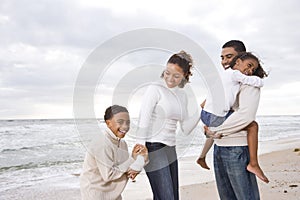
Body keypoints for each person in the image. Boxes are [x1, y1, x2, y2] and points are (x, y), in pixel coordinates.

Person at [197, 40, 269, 183]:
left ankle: (253, 164)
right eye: (222, 58)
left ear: (240, 57)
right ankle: (202, 156)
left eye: (229, 57)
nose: (224, 61)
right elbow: (206, 105)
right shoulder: (227, 81)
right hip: (219, 147)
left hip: (236, 148)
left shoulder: (247, 82)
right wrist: (213, 132)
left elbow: (246, 116)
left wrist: (214, 131)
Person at [136, 51, 200, 200]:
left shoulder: (182, 95)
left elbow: (185, 129)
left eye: (176, 76)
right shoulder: (155, 89)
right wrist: (140, 154)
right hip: (153, 147)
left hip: (171, 149)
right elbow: (143, 120)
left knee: (171, 197)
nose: (170, 79)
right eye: (167, 73)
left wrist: (202, 111)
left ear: (184, 76)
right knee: (166, 197)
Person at [80, 105, 148, 200]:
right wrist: (132, 159)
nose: (125, 126)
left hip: (114, 195)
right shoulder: (102, 143)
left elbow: (125, 168)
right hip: (95, 195)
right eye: (120, 122)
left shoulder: (122, 143)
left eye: (128, 123)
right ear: (108, 123)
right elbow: (109, 175)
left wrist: (142, 159)